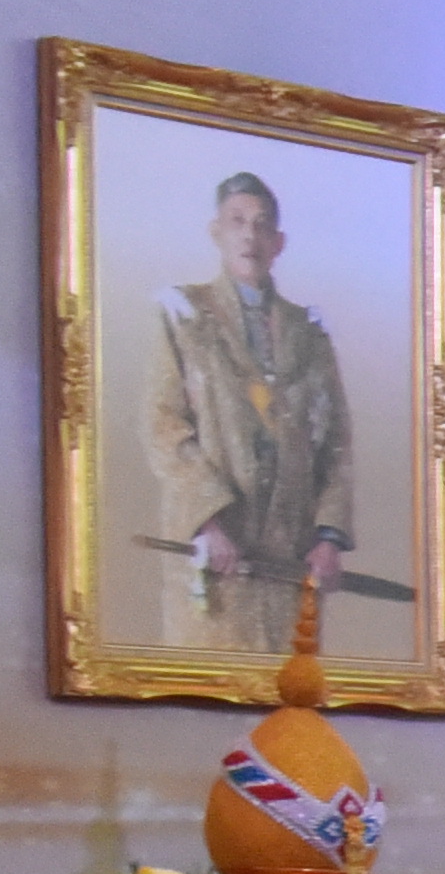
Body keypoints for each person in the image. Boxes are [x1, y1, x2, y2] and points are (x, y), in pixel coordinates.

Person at [142, 167, 361, 652]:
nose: (250, 235)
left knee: (289, 711)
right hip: (215, 561)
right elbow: (164, 425)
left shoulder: (309, 333)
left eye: (262, 224)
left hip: (289, 564)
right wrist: (208, 521)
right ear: (216, 232)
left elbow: (336, 442)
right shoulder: (184, 316)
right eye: (237, 221)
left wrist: (329, 537)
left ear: (279, 242)